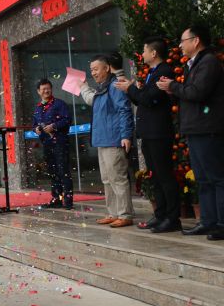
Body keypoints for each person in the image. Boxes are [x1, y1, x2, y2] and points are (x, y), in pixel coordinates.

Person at [158, 25, 224, 240]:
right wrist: (171, 89)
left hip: (208, 128)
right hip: (196, 128)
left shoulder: (209, 62)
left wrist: (173, 86)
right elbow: (188, 94)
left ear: (196, 41)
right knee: (203, 179)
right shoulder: (193, 64)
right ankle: (207, 221)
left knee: (216, 177)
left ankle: (221, 224)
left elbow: (198, 92)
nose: (180, 45)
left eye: (183, 40)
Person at [115, 37, 179, 233]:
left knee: (164, 176)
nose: (142, 55)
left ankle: (172, 218)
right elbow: (142, 99)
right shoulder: (152, 73)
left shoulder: (164, 71)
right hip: (149, 132)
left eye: (144, 50)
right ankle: (160, 215)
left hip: (159, 131)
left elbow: (150, 99)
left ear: (153, 53)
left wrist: (130, 88)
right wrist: (132, 89)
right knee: (155, 176)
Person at [81, 55, 135, 228]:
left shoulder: (114, 86)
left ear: (107, 68)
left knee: (117, 178)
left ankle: (125, 214)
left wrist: (126, 135)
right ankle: (113, 213)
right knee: (107, 179)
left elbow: (124, 110)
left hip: (113, 139)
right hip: (101, 140)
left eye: (96, 69)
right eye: (91, 70)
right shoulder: (101, 88)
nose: (93, 73)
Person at [32, 79, 73, 209]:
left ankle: (68, 201)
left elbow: (67, 120)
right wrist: (36, 129)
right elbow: (34, 124)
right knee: (53, 171)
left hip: (60, 142)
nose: (46, 91)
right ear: (38, 91)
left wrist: (54, 126)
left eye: (48, 88)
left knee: (63, 171)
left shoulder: (59, 104)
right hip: (47, 143)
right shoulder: (38, 108)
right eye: (43, 89)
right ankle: (56, 199)